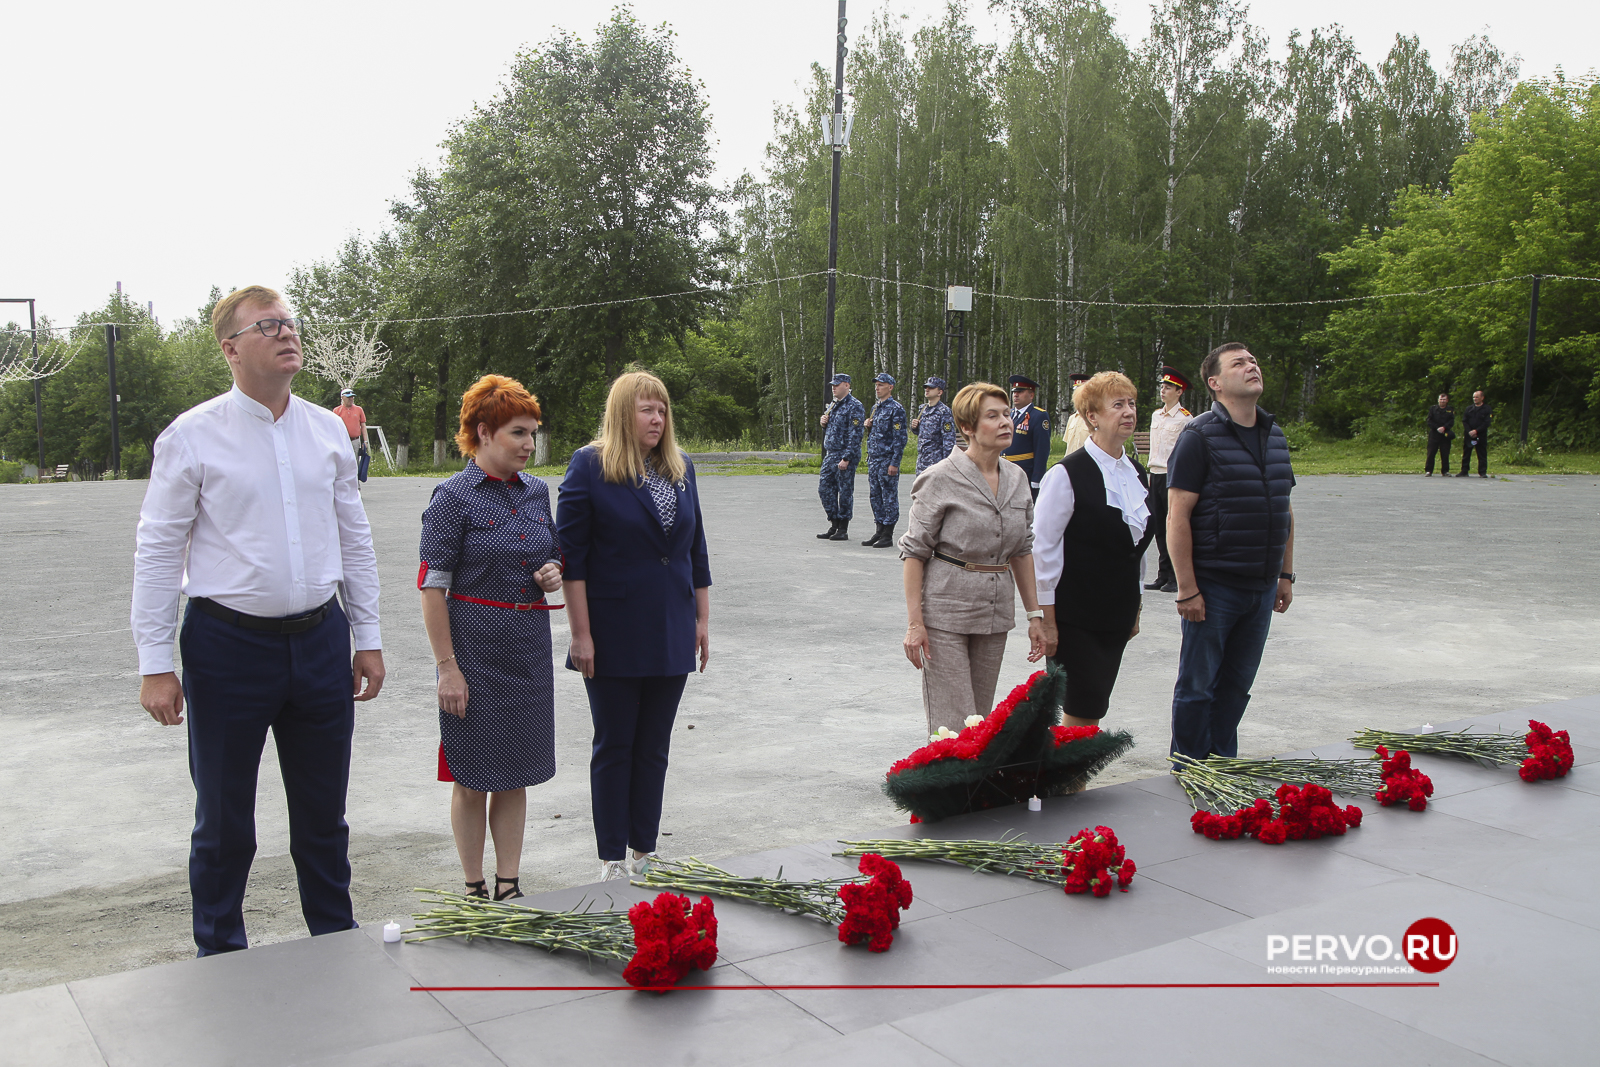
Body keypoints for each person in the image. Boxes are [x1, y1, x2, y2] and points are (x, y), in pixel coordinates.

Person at [132, 285, 385, 956]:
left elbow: (353, 537)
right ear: (231, 349)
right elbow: (158, 550)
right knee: (224, 820)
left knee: (323, 815)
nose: (287, 333)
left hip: (320, 639)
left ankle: (334, 939)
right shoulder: (192, 436)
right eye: (267, 326)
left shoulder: (327, 430)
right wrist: (155, 663)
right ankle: (220, 951)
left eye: (290, 323)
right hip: (227, 646)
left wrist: (368, 637)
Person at [557, 371, 712, 882]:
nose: (657, 418)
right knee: (615, 744)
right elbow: (572, 560)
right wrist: (581, 635)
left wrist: (701, 620)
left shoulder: (680, 466)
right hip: (612, 632)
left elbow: (695, 551)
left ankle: (645, 851)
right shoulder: (590, 465)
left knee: (654, 747)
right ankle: (612, 859)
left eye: (662, 410)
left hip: (672, 626)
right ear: (624, 414)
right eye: (647, 409)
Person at [419, 375, 564, 901]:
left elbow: (552, 552)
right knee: (471, 775)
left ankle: (508, 884)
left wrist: (551, 570)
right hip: (473, 656)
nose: (529, 445)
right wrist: (447, 668)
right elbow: (432, 588)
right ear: (483, 432)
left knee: (515, 771)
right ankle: (473, 887)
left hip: (527, 652)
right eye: (518, 433)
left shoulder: (537, 492)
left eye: (532, 434)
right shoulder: (452, 498)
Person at [1165, 342, 1295, 761]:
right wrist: (1187, 588)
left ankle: (1222, 765)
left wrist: (1285, 575)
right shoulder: (1199, 436)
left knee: (1237, 688)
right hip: (1214, 587)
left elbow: (1284, 507)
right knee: (1197, 687)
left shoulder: (1275, 435)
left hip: (1261, 587)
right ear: (1215, 383)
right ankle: (1189, 767)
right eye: (1239, 363)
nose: (1251, 367)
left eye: (1253, 361)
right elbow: (1177, 515)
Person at [900, 382, 1047, 734]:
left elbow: (1022, 550)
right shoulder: (939, 478)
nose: (1005, 422)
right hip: (945, 613)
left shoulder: (1017, 479)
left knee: (979, 722)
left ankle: (971, 772)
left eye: (1007, 414)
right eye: (992, 416)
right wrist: (915, 623)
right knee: (953, 723)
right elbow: (914, 552)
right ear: (967, 427)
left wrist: (1035, 615)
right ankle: (946, 771)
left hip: (994, 612)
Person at [1034, 372, 1155, 726]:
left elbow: (1136, 549)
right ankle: (1069, 765)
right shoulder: (1066, 474)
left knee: (1095, 705)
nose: (1129, 412)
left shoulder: (1136, 473)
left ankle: (1073, 761)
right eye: (1117, 405)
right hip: (1075, 616)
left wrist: (1136, 605)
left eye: (1131, 404)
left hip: (1117, 612)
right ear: (1092, 416)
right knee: (1080, 706)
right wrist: (1047, 620)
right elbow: (1042, 551)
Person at [1144, 367, 1192, 593]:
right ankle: (1162, 574)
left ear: (1179, 392)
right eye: (1162, 387)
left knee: (1173, 525)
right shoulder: (1156, 415)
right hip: (1155, 474)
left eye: (1168, 388)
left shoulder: (1185, 419)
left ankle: (1175, 576)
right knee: (1158, 526)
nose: (1163, 391)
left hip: (1172, 475)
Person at [816, 373, 866, 541]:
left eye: (837, 385)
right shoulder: (834, 405)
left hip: (844, 454)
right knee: (825, 488)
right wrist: (824, 424)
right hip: (831, 453)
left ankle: (843, 528)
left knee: (844, 491)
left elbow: (855, 435)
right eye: (833, 385)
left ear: (847, 385)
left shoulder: (854, 406)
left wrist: (847, 458)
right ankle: (834, 523)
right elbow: (833, 429)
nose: (834, 388)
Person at [861, 372, 908, 547]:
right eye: (876, 385)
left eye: (881, 385)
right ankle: (879, 530)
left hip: (887, 459)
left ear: (890, 387)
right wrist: (868, 427)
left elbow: (900, 438)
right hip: (874, 459)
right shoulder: (876, 407)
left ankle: (888, 534)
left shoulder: (896, 408)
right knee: (875, 496)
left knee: (889, 496)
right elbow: (877, 434)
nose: (877, 388)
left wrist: (894, 462)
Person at [1003, 374, 1052, 499]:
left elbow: (1042, 449)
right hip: (1005, 469)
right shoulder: (1009, 414)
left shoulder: (1038, 416)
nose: (1015, 395)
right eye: (1014, 392)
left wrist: (1037, 477)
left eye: (1020, 392)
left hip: (1025, 471)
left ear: (1031, 395)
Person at [911, 376, 957, 473]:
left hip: (936, 461)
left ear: (939, 392)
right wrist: (915, 427)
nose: (927, 390)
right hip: (922, 461)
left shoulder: (944, 411)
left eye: (931, 388)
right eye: (926, 387)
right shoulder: (923, 409)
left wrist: (946, 464)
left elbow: (948, 439)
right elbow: (923, 433)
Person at [1459, 390, 1491, 478]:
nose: (1475, 399)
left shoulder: (1487, 409)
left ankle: (1482, 472)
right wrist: (1469, 431)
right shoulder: (1469, 409)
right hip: (1469, 435)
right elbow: (1464, 421)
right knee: (1466, 453)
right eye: (1474, 397)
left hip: (1480, 435)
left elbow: (1487, 422)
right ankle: (1464, 471)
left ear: (1482, 398)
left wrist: (1476, 431)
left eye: (1477, 397)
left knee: (1482, 453)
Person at [1061, 372, 1092, 453]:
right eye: (1076, 392)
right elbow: (1068, 445)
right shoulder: (1072, 418)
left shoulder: (1095, 418)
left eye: (1081, 393)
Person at [1425, 393, 1454, 476]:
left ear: (1447, 400)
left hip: (1445, 434)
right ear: (1438, 400)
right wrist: (1437, 427)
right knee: (1431, 453)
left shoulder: (1450, 409)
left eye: (1444, 399)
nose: (1442, 401)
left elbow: (1451, 421)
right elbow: (1429, 421)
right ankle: (1429, 470)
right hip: (1434, 434)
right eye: (1441, 399)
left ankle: (1445, 471)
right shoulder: (1433, 409)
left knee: (1445, 453)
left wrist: (1444, 427)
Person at [334, 389, 366, 458]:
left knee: (355, 460)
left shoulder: (359, 409)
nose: (351, 399)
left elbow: (363, 426)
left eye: (352, 397)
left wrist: (365, 441)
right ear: (342, 398)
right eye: (348, 397)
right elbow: (333, 427)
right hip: (342, 440)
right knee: (343, 459)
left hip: (355, 440)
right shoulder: (336, 410)